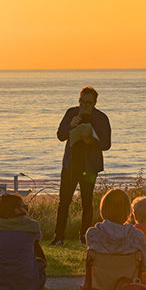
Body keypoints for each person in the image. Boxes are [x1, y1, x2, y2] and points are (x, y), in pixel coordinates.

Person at [51, 86, 111, 246]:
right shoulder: (71, 113)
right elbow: (60, 136)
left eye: (88, 103)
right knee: (64, 202)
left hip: (89, 167)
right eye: (81, 101)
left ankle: (85, 237)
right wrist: (71, 125)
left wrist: (92, 141)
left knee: (87, 202)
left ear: (94, 103)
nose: (84, 105)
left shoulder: (101, 118)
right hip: (70, 165)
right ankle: (58, 237)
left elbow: (106, 144)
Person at [0, 193, 46, 290]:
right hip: (29, 283)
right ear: (20, 208)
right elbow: (38, 238)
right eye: (24, 206)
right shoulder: (33, 226)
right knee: (34, 245)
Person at [86, 189, 146, 266]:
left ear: (103, 209)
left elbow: (90, 263)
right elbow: (144, 265)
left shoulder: (93, 234)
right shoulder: (136, 236)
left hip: (102, 277)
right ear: (127, 212)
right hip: (129, 277)